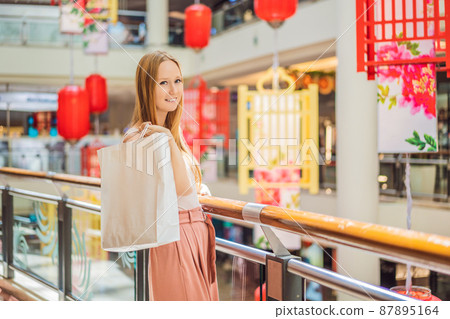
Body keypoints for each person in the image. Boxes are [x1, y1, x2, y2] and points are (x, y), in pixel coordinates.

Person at [122, 50, 219, 301]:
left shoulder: (170, 133)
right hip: (174, 238)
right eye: (163, 83)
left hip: (195, 235)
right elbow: (183, 193)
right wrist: (166, 141)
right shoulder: (140, 137)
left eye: (177, 81)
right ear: (147, 88)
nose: (173, 90)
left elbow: (186, 189)